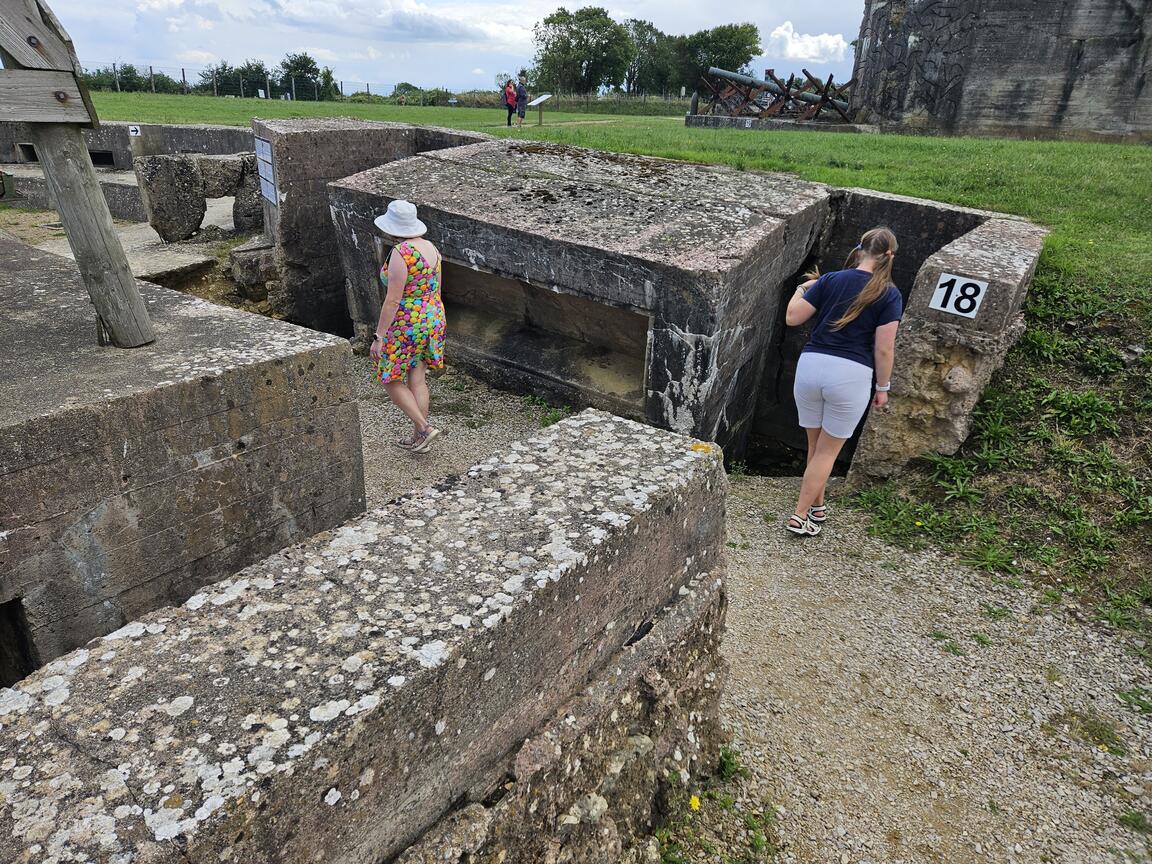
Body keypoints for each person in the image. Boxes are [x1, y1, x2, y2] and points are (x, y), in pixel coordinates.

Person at [782, 227, 902, 536]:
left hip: (810, 366)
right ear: (889, 256)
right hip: (850, 375)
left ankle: (817, 508)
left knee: (815, 445)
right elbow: (884, 348)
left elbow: (793, 318)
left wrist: (802, 289)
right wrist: (883, 387)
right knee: (827, 451)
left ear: (860, 250)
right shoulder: (889, 294)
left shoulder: (830, 279)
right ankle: (799, 516)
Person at [370, 200, 446, 453]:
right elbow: (437, 287)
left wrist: (379, 336)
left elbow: (392, 300)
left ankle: (424, 428)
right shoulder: (432, 248)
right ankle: (418, 439)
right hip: (433, 316)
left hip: (408, 321)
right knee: (417, 377)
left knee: (389, 376)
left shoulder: (401, 253)